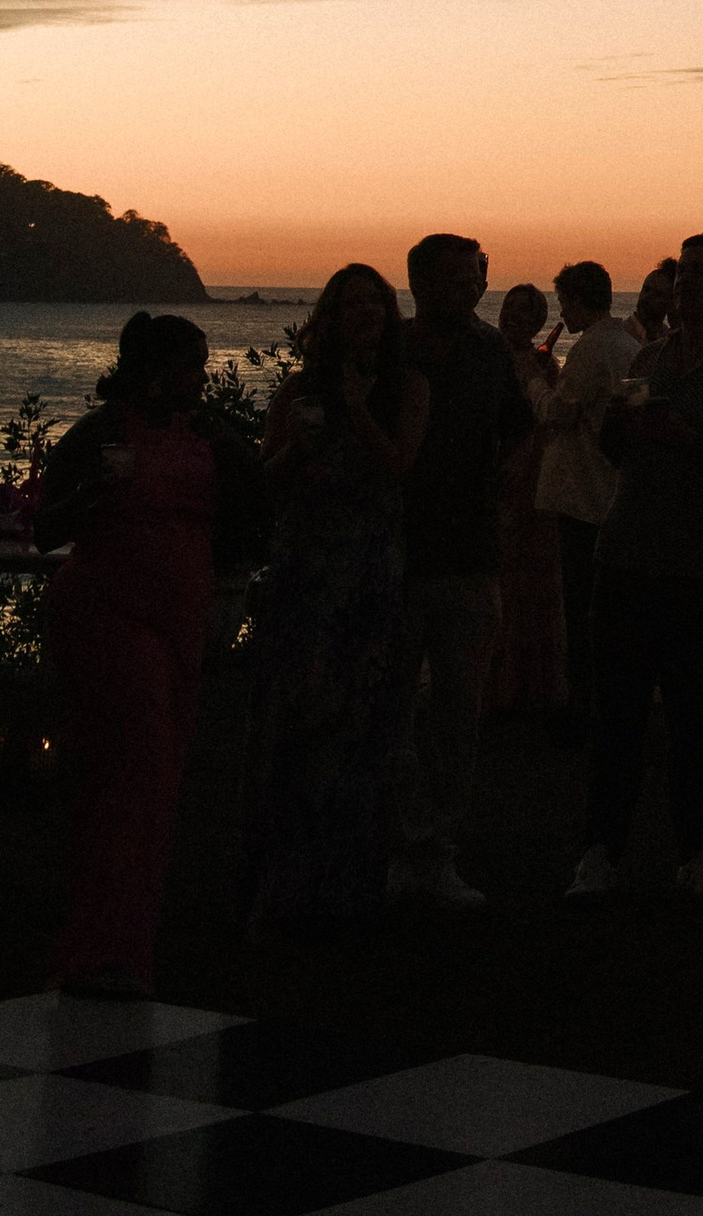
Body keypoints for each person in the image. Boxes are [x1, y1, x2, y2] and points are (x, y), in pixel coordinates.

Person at [36, 313, 265, 994]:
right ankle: (97, 950)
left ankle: (128, 947)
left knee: (160, 784)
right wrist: (89, 496)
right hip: (109, 614)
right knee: (131, 777)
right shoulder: (99, 435)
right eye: (192, 363)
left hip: (181, 617)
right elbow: (46, 530)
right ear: (154, 370)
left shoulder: (206, 434)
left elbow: (253, 508)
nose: (202, 375)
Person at [569, 230, 703, 906]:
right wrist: (626, 425)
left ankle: (701, 854)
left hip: (702, 566)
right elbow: (613, 440)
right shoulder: (647, 357)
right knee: (616, 714)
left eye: (699, 275)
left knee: (693, 719)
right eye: (680, 274)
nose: (686, 285)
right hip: (627, 554)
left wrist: (685, 438)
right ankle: (600, 851)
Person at [243, 263, 428, 931]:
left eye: (373, 306)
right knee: (296, 724)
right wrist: (295, 445)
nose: (363, 316)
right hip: (305, 567)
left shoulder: (407, 388)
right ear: (331, 317)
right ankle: (284, 883)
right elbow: (267, 479)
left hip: (369, 571)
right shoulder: (296, 391)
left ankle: (351, 888)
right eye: (351, 306)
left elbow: (399, 465)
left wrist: (355, 408)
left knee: (363, 727)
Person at [391, 231, 530, 906]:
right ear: (419, 283)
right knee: (385, 712)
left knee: (455, 716)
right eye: (454, 278)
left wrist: (504, 483)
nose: (468, 289)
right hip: (396, 554)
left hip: (471, 555)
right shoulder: (395, 351)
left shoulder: (489, 352)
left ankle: (432, 853)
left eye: (474, 277)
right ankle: (386, 843)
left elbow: (522, 428)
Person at [535, 261, 644, 741]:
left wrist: (537, 383)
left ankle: (585, 712)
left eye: (564, 303)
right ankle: (606, 707)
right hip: (611, 491)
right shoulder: (630, 346)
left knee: (581, 608)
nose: (562, 312)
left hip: (582, 494)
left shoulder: (591, 347)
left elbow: (559, 413)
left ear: (578, 301)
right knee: (605, 610)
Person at [486, 285, 566, 717]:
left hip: (529, 482)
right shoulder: (485, 354)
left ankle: (524, 685)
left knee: (528, 585)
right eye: (509, 308)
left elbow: (547, 424)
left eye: (524, 311)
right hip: (496, 478)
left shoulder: (542, 366)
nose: (513, 317)